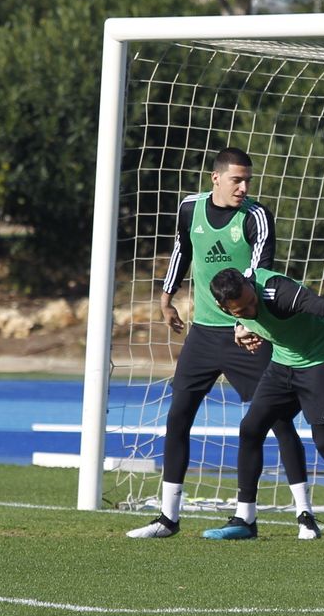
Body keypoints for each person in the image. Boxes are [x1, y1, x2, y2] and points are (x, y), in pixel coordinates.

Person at [127, 147, 314, 541]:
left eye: (248, 180)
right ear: (215, 178)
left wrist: (245, 323)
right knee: (178, 417)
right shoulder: (189, 209)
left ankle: (305, 515)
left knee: (277, 420)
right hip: (203, 335)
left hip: (248, 334)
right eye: (236, 180)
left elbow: (255, 272)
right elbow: (183, 250)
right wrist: (166, 296)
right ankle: (168, 517)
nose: (244, 187)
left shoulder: (256, 217)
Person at [200, 267, 324, 543]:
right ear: (223, 306)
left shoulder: (279, 292)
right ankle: (245, 519)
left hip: (322, 361)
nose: (251, 309)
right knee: (251, 428)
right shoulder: (232, 305)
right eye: (241, 311)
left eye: (252, 302)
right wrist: (240, 327)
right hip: (283, 363)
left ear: (250, 286)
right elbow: (245, 318)